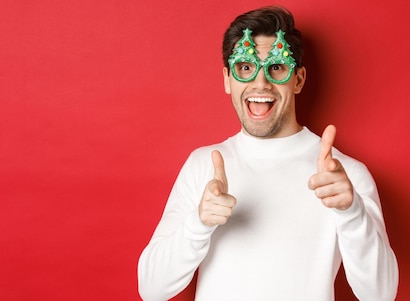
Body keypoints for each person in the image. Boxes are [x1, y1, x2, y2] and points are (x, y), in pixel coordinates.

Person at [137, 6, 398, 301]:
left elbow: (381, 295)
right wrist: (198, 224)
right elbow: (151, 289)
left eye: (276, 67)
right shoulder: (203, 165)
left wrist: (351, 212)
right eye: (245, 67)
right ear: (227, 80)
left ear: (298, 79)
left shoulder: (345, 178)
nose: (260, 83)